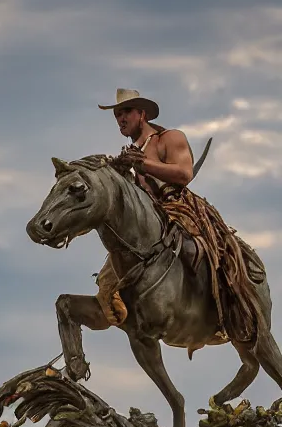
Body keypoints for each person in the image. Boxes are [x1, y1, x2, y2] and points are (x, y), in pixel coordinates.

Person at [95, 88, 261, 348]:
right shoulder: (129, 153)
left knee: (203, 254)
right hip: (146, 223)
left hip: (178, 209)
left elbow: (184, 174)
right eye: (117, 115)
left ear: (142, 114)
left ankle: (223, 309)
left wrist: (143, 165)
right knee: (107, 280)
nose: (120, 119)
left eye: (125, 112)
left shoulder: (168, 138)